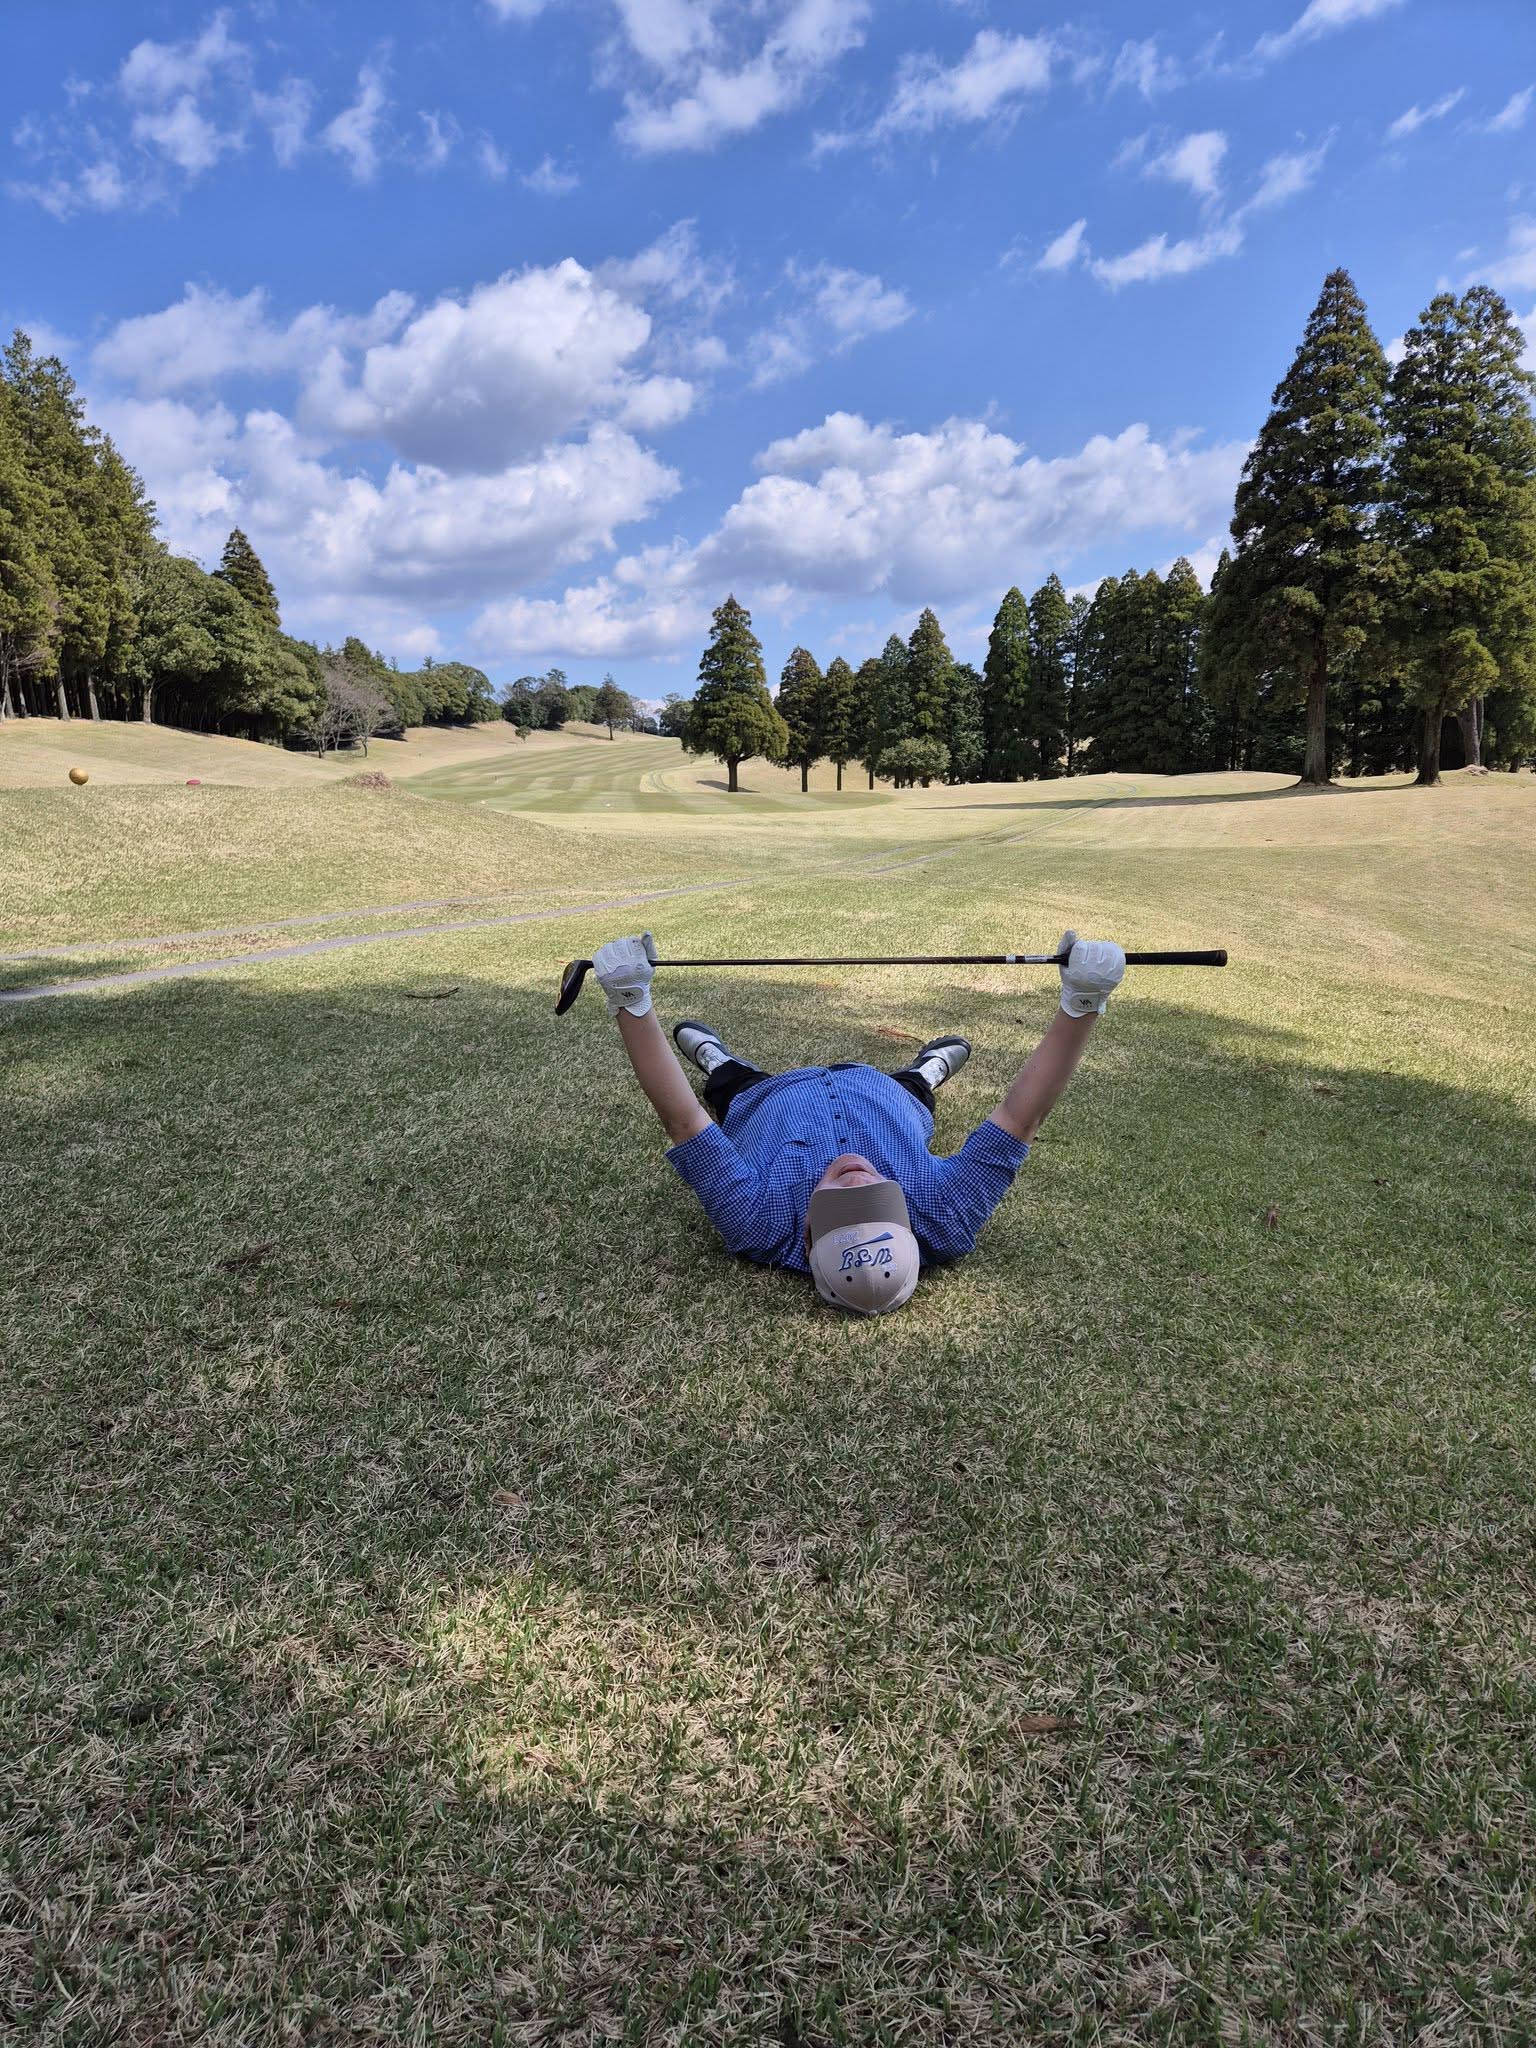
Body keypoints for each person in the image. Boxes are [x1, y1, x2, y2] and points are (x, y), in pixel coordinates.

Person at [592, 931, 1126, 1314]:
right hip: (884, 1093)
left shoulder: (755, 1224)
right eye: (877, 1201)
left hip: (768, 1100)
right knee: (912, 1089)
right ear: (912, 1233)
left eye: (842, 1205)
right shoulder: (944, 1217)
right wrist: (1083, 1002)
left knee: (729, 1084)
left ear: (805, 1241)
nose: (858, 1181)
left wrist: (630, 1002)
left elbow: (684, 1122)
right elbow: (1019, 1118)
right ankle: (926, 1070)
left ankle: (716, 1058)